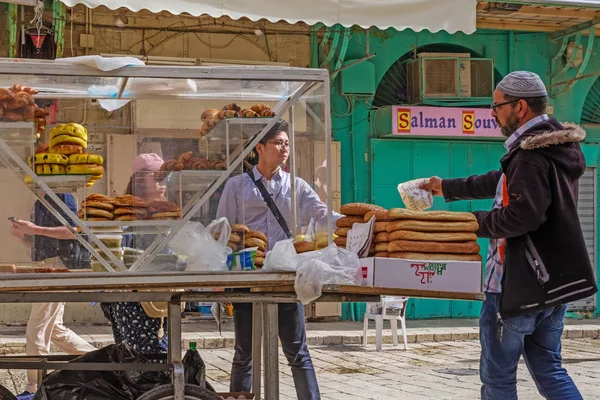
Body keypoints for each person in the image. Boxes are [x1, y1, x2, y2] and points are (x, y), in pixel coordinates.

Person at [420, 71, 597, 400]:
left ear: (519, 107)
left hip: (515, 286)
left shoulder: (529, 156)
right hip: (551, 286)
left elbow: (522, 216)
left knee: (498, 379)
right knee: (549, 368)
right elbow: (500, 181)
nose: (493, 113)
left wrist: (471, 223)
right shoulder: (553, 148)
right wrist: (445, 188)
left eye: (496, 106)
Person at [217, 120, 338, 400]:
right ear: (260, 148)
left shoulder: (296, 186)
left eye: (287, 143)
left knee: (297, 349)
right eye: (278, 143)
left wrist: (352, 223)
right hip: (247, 275)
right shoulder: (237, 186)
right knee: (244, 351)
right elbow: (223, 230)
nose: (284, 149)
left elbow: (321, 213)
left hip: (285, 276)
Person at [9, 193, 96, 400]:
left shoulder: (63, 196)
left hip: (58, 267)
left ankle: (34, 386)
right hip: (46, 266)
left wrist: (34, 230)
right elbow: (42, 243)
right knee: (54, 328)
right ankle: (103, 360)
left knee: (37, 326)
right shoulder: (40, 202)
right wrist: (25, 237)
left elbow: (74, 232)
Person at [100, 153, 169, 355]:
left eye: (164, 178)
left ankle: (156, 387)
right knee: (141, 356)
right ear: (138, 181)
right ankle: (152, 387)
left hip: (158, 300)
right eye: (156, 178)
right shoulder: (126, 216)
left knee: (157, 355)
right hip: (131, 302)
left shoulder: (164, 214)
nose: (162, 183)